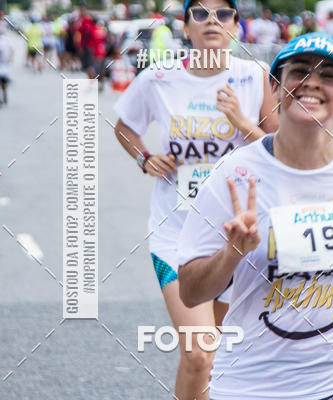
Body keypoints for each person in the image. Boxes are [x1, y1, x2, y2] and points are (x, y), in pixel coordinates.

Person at [178, 32, 333, 400]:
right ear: (275, 86)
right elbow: (191, 293)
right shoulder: (233, 175)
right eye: (300, 71)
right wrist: (231, 253)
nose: (312, 83)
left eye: (329, 76)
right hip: (252, 381)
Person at [112, 0, 278, 398]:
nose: (212, 21)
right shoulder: (158, 78)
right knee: (199, 352)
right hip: (175, 232)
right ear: (186, 28)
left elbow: (279, 151)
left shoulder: (254, 76)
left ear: (236, 26)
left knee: (217, 352)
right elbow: (124, 128)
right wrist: (145, 158)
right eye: (200, 14)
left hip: (234, 236)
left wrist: (241, 122)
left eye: (223, 14)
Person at [0, 25, 12, 108]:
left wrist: (10, 59)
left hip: (3, 65)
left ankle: (4, 94)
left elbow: (11, 49)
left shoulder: (4, 40)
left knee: (3, 83)